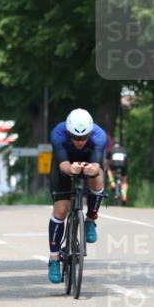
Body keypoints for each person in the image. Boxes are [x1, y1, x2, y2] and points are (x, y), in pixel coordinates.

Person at [46, 108, 107, 284]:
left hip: (90, 162)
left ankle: (90, 219)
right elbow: (63, 164)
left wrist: (92, 169)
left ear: (90, 133)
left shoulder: (99, 135)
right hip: (64, 166)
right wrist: (70, 169)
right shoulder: (58, 133)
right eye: (75, 137)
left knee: (98, 176)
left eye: (83, 138)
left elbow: (96, 165)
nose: (79, 142)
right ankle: (54, 258)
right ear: (68, 132)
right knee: (61, 210)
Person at [105, 139, 129, 205]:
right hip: (123, 166)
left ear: (113, 144)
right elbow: (127, 160)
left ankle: (112, 182)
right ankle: (124, 196)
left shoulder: (111, 150)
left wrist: (107, 167)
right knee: (124, 181)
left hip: (114, 165)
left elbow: (106, 161)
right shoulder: (124, 150)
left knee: (109, 170)